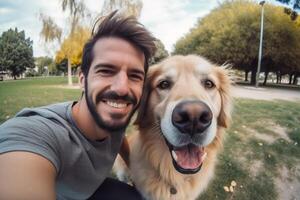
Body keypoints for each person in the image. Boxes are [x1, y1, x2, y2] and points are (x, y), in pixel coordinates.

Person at [0, 11, 156, 200]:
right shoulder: (36, 133)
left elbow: (119, 136)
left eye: (135, 76)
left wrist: (135, 170)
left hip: (92, 189)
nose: (122, 88)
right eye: (106, 71)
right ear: (82, 80)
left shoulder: (113, 119)